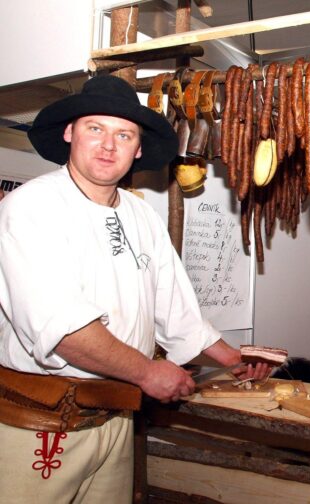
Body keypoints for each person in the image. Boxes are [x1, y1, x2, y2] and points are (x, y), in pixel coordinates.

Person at [0, 75, 270, 503]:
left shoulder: (141, 216)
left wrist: (234, 359)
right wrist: (147, 372)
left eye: (124, 135)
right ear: (69, 133)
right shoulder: (32, 208)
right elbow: (64, 331)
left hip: (117, 417)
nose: (108, 145)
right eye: (95, 128)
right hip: (44, 424)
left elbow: (174, 308)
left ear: (138, 149)